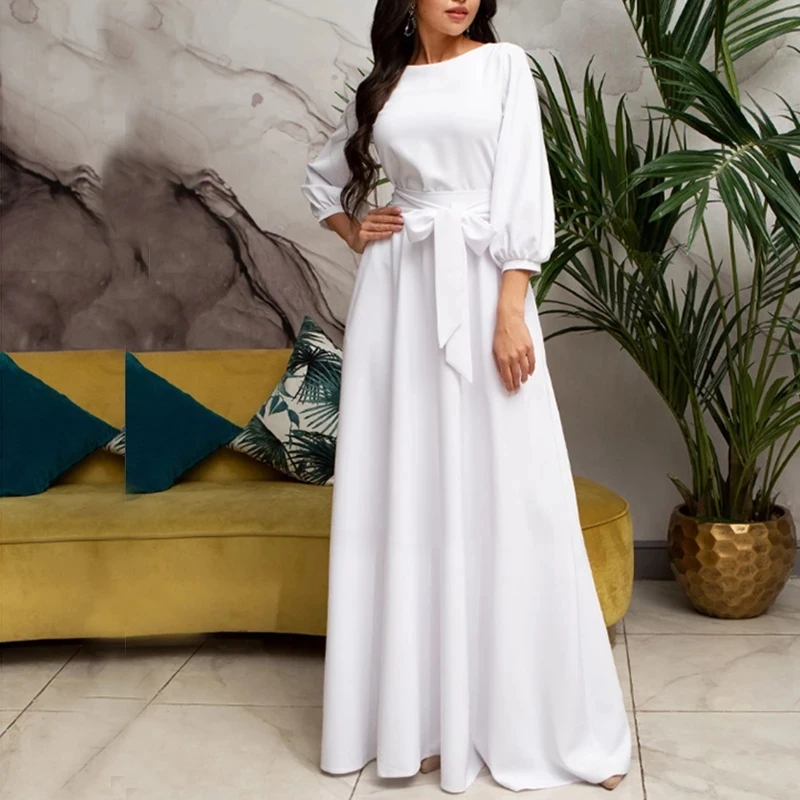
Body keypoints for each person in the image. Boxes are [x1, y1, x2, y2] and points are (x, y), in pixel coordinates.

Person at [300, 0, 631, 793]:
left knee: (508, 486)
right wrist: (355, 230)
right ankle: (420, 718)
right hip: (398, 297)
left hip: (483, 286)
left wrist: (511, 308)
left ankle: (523, 717)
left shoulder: (504, 67)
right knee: (407, 488)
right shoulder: (382, 87)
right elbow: (323, 178)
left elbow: (525, 189)